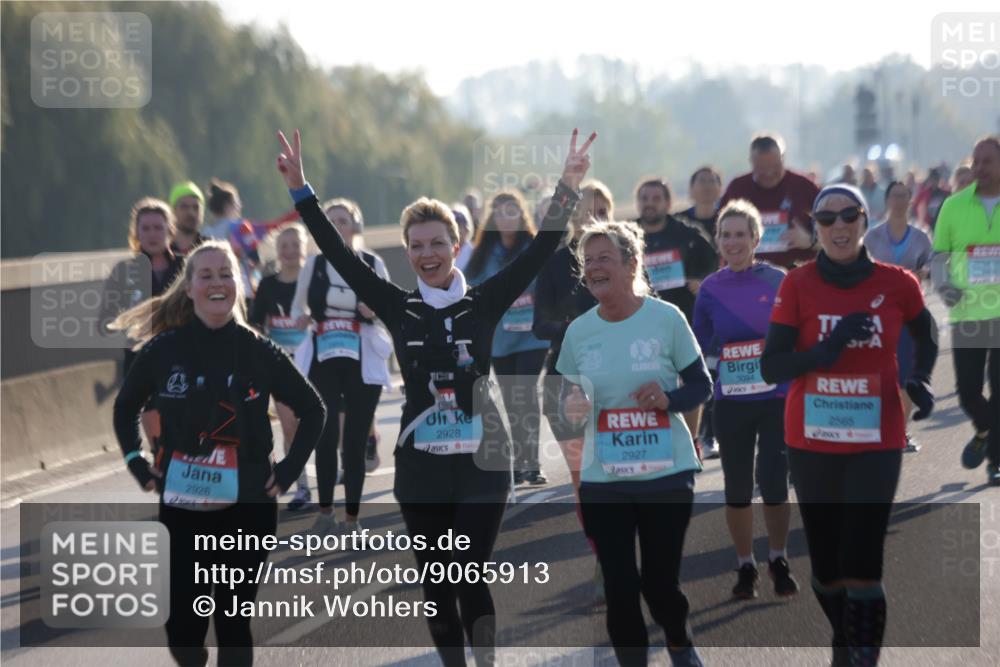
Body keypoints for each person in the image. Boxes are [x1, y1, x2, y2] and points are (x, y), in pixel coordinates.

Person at [276, 127, 594, 666]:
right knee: (438, 587)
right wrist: (301, 190)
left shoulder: (485, 299)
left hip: (482, 462)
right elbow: (337, 251)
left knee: (468, 572)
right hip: (421, 466)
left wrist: (567, 185)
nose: (428, 255)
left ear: (455, 246)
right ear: (407, 253)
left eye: (438, 244)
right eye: (417, 246)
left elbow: (542, 247)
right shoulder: (400, 307)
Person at [112, 241, 325, 667]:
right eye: (205, 275)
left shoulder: (259, 349)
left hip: (248, 501)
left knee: (232, 620)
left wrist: (286, 471)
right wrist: (137, 463)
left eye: (226, 274)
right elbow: (125, 407)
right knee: (184, 628)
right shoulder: (163, 349)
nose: (217, 283)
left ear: (239, 284)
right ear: (188, 288)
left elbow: (313, 409)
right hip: (183, 503)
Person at [760, 184, 938, 666]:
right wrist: (827, 348)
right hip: (811, 440)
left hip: (876, 440)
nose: (838, 226)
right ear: (814, 228)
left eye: (849, 216)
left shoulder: (898, 282)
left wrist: (920, 378)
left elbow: (926, 333)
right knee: (826, 569)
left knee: (862, 562)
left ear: (864, 220)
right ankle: (846, 640)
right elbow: (772, 367)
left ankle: (858, 659)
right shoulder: (796, 285)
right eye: (826, 219)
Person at [558, 220, 711, 667]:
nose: (594, 268)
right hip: (604, 476)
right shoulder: (578, 333)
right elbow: (567, 400)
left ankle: (679, 641)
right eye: (588, 262)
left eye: (604, 258)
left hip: (666, 472)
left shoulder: (666, 319)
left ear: (631, 264)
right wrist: (573, 405)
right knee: (620, 588)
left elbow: (702, 386)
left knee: (659, 584)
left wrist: (669, 399)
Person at [692, 199, 798, 600]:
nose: (733, 242)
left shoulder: (779, 280)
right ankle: (745, 565)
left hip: (775, 398)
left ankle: (778, 557)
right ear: (718, 241)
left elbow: (796, 333)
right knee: (736, 487)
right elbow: (699, 344)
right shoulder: (711, 288)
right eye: (726, 235)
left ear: (756, 238)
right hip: (732, 401)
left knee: (773, 482)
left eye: (741, 234)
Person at [291, 197, 392, 533]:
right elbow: (295, 312)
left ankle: (352, 518)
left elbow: (391, 309)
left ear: (355, 227)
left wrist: (374, 310)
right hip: (323, 358)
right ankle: (324, 513)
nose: (336, 227)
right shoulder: (313, 265)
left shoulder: (372, 262)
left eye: (342, 221)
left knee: (354, 440)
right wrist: (302, 318)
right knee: (325, 432)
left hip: (361, 360)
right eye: (330, 220)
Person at [533, 180, 610, 596]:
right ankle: (603, 558)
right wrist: (571, 327)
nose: (588, 216)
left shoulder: (625, 256)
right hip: (564, 382)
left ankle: (622, 555)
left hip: (617, 379)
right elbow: (538, 324)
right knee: (585, 483)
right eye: (582, 209)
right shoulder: (556, 261)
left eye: (598, 209)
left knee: (620, 475)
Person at [465, 190, 551, 485]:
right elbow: (470, 290)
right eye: (501, 213)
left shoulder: (534, 247)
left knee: (525, 393)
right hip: (500, 338)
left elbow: (549, 286)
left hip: (531, 336)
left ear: (522, 215)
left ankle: (533, 463)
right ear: (493, 219)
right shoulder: (483, 254)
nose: (507, 218)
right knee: (513, 400)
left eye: (513, 212)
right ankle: (519, 459)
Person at [931, 136, 1000, 486]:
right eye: (976, 161)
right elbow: (939, 255)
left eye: (987, 161)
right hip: (967, 313)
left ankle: (996, 461)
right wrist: (946, 289)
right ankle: (987, 429)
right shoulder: (954, 206)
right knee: (968, 393)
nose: (980, 168)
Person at [634, 177, 717, 452]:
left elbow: (714, 267)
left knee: (687, 382)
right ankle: (651, 440)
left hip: (683, 319)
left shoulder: (687, 234)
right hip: (641, 322)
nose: (649, 204)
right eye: (644, 198)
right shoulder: (627, 235)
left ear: (668, 203)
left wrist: (701, 281)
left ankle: (692, 440)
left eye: (656, 198)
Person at [101, 197, 185, 455]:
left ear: (170, 230)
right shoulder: (124, 271)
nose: (152, 234)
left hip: (183, 357)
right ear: (135, 233)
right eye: (145, 228)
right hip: (142, 359)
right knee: (156, 429)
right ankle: (162, 463)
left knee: (184, 429)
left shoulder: (187, 266)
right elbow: (104, 320)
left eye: (158, 227)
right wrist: (125, 321)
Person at [864, 181, 933, 454]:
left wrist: (925, 271)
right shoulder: (872, 237)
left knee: (906, 376)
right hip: (878, 315)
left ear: (910, 199)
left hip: (910, 314)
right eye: (894, 196)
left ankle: (899, 434)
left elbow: (931, 264)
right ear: (887, 199)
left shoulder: (920, 237)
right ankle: (878, 430)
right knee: (879, 376)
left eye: (904, 196)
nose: (899, 201)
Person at [249, 222, 314, 509]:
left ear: (304, 249)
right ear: (277, 250)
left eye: (295, 245)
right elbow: (254, 325)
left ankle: (331, 468)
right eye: (283, 246)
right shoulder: (267, 286)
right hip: (282, 365)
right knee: (290, 427)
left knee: (319, 425)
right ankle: (302, 488)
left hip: (314, 361)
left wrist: (312, 319)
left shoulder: (314, 282)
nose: (289, 251)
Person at [720, 133, 821, 269]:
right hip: (747, 276)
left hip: (796, 275)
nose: (768, 173)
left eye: (775, 166)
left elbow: (833, 237)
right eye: (762, 168)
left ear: (783, 159)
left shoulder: (804, 187)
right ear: (751, 162)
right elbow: (718, 234)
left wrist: (809, 241)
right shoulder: (737, 189)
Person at [205, 179, 260, 312]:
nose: (240, 206)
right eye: (237, 202)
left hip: (211, 290)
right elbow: (256, 258)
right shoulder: (242, 227)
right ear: (228, 205)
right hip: (241, 288)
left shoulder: (204, 231)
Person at [678, 166, 722, 242]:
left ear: (720, 189)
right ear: (691, 189)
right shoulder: (679, 222)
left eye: (712, 181)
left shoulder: (726, 221)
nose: (707, 186)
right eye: (702, 181)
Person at [168, 181, 206, 256]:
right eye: (184, 207)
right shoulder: (161, 249)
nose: (191, 213)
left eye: (196, 207)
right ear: (172, 211)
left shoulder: (209, 248)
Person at [913, 167, 951, 232]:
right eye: (932, 179)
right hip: (926, 227)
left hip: (941, 224)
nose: (934, 181)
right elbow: (915, 209)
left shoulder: (945, 194)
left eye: (936, 179)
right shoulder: (923, 194)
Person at [452, 203, 475, 273]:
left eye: (459, 225)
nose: (455, 230)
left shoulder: (474, 253)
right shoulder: (444, 251)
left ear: (466, 228)